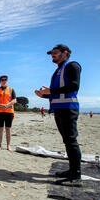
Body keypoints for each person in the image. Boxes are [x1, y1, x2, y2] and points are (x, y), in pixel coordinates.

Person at [35, 44, 82, 187]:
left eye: (55, 52)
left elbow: (74, 86)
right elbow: (58, 93)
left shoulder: (72, 66)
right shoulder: (58, 70)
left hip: (68, 109)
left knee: (71, 141)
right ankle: (71, 170)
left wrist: (51, 91)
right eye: (51, 53)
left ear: (65, 53)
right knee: (67, 141)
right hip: (59, 109)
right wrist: (44, 95)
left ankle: (76, 175)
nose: (52, 55)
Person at [0, 75, 17, 151]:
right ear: (0, 81)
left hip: (9, 112)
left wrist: (7, 105)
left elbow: (14, 100)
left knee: (8, 129)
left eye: (5, 80)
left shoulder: (11, 89)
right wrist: (0, 105)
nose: (4, 81)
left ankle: (8, 146)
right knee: (0, 128)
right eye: (2, 80)